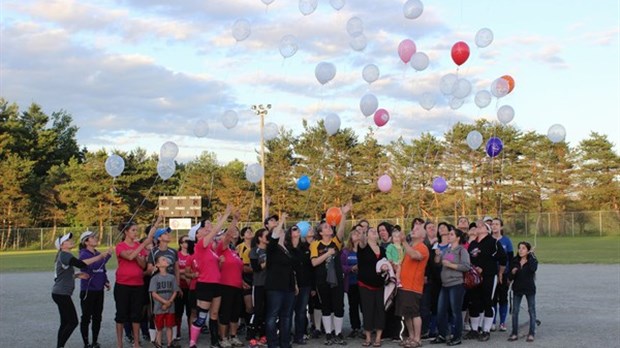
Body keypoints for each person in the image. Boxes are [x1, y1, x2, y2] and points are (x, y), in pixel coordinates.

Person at [52, 232, 111, 348]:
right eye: (67, 241)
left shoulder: (64, 255)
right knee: (72, 322)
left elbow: (58, 276)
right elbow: (81, 264)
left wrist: (77, 275)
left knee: (65, 322)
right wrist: (100, 256)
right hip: (61, 294)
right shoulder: (64, 255)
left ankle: (60, 346)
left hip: (59, 293)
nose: (70, 241)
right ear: (62, 246)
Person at [188, 205, 232, 348]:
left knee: (214, 314)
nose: (205, 229)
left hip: (215, 284)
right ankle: (192, 342)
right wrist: (226, 215)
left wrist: (221, 220)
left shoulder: (210, 249)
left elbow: (218, 234)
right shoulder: (200, 245)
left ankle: (214, 341)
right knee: (202, 316)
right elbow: (214, 232)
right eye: (201, 229)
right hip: (205, 284)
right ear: (196, 234)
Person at [310, 203, 351, 345]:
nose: (329, 227)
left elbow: (340, 231)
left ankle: (338, 333)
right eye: (326, 227)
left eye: (329, 226)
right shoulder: (316, 244)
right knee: (325, 306)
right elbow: (314, 263)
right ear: (321, 232)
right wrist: (327, 253)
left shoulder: (335, 242)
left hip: (337, 280)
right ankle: (328, 333)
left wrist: (344, 214)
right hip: (322, 280)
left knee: (339, 306)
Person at [115, 218, 159, 348]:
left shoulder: (137, 247)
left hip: (138, 284)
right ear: (126, 232)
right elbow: (128, 257)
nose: (135, 233)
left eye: (136, 230)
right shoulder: (120, 246)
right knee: (121, 314)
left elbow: (143, 264)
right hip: (122, 284)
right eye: (133, 230)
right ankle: (119, 343)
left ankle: (136, 342)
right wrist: (140, 247)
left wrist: (137, 254)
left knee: (136, 314)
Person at [464, 219, 507, 342]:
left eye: (482, 225)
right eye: (477, 226)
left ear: (487, 229)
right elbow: (469, 260)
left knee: (488, 301)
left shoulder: (493, 242)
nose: (478, 227)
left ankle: (486, 330)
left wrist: (500, 273)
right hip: (474, 278)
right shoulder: (473, 244)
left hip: (488, 276)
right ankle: (474, 329)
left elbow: (503, 259)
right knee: (474, 302)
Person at [430, 228, 470, 346]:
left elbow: (466, 266)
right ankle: (443, 334)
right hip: (445, 285)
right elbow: (438, 263)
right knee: (441, 310)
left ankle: (457, 336)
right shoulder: (447, 250)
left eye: (451, 234)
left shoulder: (461, 250)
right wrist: (437, 257)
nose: (449, 236)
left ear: (458, 237)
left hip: (456, 284)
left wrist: (451, 265)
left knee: (455, 311)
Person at [264, 213, 297, 348]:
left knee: (287, 316)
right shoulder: (272, 248)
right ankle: (272, 343)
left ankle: (285, 343)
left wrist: (294, 284)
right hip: (275, 287)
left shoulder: (287, 249)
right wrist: (281, 219)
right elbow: (274, 235)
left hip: (288, 287)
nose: (282, 231)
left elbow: (291, 269)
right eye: (279, 230)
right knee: (272, 316)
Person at [397, 220, 429, 348]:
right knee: (407, 314)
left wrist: (403, 242)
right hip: (404, 285)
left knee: (414, 313)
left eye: (417, 229)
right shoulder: (410, 245)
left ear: (423, 236)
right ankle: (411, 336)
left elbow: (415, 256)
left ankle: (417, 338)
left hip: (413, 287)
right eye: (413, 228)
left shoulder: (422, 247)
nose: (413, 230)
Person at [147, 227, 181, 345]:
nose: (168, 235)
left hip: (171, 285)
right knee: (157, 312)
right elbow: (149, 268)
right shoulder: (154, 251)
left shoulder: (173, 251)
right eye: (165, 234)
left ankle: (171, 340)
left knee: (171, 313)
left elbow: (176, 269)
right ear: (159, 238)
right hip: (159, 286)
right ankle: (156, 340)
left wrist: (178, 284)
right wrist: (154, 268)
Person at [78, 231, 112, 348]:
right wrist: (102, 256)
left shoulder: (97, 253)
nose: (96, 238)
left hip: (99, 290)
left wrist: (105, 281)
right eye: (92, 237)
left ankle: (95, 341)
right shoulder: (83, 254)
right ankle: (86, 343)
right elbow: (89, 266)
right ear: (86, 241)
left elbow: (102, 268)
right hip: (88, 290)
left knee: (98, 317)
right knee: (86, 317)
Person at [217, 214, 245, 348]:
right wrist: (235, 220)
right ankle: (223, 338)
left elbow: (238, 269)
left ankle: (233, 336)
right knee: (226, 312)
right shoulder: (220, 249)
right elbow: (228, 236)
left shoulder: (233, 251)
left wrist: (242, 282)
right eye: (223, 236)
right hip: (225, 286)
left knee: (235, 313)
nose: (226, 237)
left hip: (237, 286)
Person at [357, 227, 386, 347]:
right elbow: (362, 241)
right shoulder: (363, 247)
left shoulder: (383, 250)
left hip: (380, 284)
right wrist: (362, 232)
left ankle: (378, 337)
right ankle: (368, 337)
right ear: (367, 235)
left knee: (380, 310)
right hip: (365, 284)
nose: (374, 232)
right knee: (368, 310)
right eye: (371, 231)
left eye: (376, 231)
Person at [508, 241, 538, 343]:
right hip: (517, 289)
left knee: (532, 311)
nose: (520, 250)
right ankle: (514, 333)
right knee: (515, 311)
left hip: (529, 289)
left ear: (528, 250)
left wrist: (532, 256)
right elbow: (510, 277)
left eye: (523, 248)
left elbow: (533, 269)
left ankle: (531, 333)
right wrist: (512, 272)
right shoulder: (515, 260)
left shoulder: (532, 260)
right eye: (519, 248)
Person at [291, 222, 314, 344]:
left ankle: (300, 335)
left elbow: (311, 267)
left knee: (301, 311)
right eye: (295, 229)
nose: (297, 231)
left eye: (298, 230)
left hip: (305, 284)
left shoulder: (306, 248)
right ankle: (285, 334)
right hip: (290, 285)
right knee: (288, 312)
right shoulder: (287, 248)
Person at [149, 255, 179, 348]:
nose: (166, 260)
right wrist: (164, 302)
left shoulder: (172, 277)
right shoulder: (155, 278)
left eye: (166, 259)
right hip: (159, 307)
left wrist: (169, 302)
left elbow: (175, 291)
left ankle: (170, 343)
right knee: (159, 327)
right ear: (157, 265)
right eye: (163, 259)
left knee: (169, 326)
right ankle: (158, 343)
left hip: (170, 306)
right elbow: (153, 293)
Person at [491, 218, 514, 332]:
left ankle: (503, 322)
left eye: (496, 224)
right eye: (492, 224)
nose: (494, 226)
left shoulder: (506, 241)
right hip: (491, 274)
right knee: (493, 298)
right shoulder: (489, 240)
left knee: (503, 298)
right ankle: (493, 321)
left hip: (504, 274)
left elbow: (511, 258)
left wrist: (509, 275)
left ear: (501, 227)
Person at [249, 228, 269, 344]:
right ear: (260, 238)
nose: (268, 238)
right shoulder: (254, 251)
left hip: (270, 285)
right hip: (259, 284)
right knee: (258, 310)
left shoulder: (272, 250)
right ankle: (252, 334)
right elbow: (255, 268)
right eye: (266, 236)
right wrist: (267, 262)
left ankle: (263, 334)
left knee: (267, 310)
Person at [341, 227, 362, 339]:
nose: (357, 235)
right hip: (352, 283)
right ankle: (355, 328)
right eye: (354, 234)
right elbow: (341, 266)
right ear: (350, 238)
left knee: (364, 307)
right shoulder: (346, 251)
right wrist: (351, 268)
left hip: (364, 283)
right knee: (353, 306)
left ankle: (367, 328)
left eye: (358, 233)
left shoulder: (365, 249)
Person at [236, 226, 255, 340]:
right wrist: (256, 268)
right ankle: (248, 325)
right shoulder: (240, 247)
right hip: (246, 278)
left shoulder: (256, 246)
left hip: (257, 279)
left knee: (256, 305)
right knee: (248, 305)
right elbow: (241, 267)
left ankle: (253, 325)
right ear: (242, 236)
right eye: (246, 232)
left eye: (250, 231)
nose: (249, 233)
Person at [176, 235, 195, 342]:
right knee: (178, 311)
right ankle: (177, 332)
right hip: (179, 286)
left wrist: (182, 272)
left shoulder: (193, 254)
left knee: (191, 311)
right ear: (180, 244)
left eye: (189, 241)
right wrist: (185, 273)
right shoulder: (177, 255)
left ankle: (191, 333)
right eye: (185, 241)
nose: (187, 243)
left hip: (191, 287)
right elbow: (175, 270)